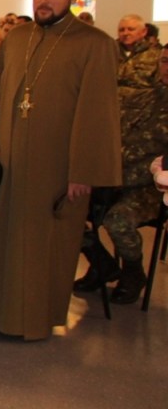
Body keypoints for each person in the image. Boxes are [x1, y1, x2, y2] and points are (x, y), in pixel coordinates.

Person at [0, 0, 121, 340]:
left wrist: (84, 172)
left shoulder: (95, 44)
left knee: (43, 247)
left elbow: (98, 114)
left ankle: (32, 322)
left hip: (58, 167)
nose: (44, 1)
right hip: (11, 162)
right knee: (0, 240)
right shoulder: (17, 38)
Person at [75, 47, 168, 304]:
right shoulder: (140, 98)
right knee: (65, 209)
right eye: (165, 61)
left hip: (150, 189)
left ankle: (133, 273)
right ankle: (101, 264)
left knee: (117, 221)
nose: (167, 68)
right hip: (110, 179)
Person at [116, 14, 160, 91]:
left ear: (144, 32)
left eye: (131, 29)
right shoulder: (109, 52)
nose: (125, 33)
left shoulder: (156, 55)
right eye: (121, 30)